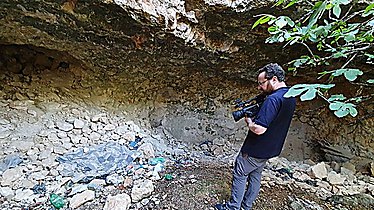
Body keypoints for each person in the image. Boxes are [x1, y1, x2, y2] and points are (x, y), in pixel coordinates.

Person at [215, 63, 296, 210]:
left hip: (255, 148)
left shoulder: (272, 100)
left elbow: (259, 129)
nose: (259, 87)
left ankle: (233, 207)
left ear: (274, 79)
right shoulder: (290, 95)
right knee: (255, 175)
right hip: (270, 148)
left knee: (240, 173)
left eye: (261, 83)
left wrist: (250, 121)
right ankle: (246, 206)